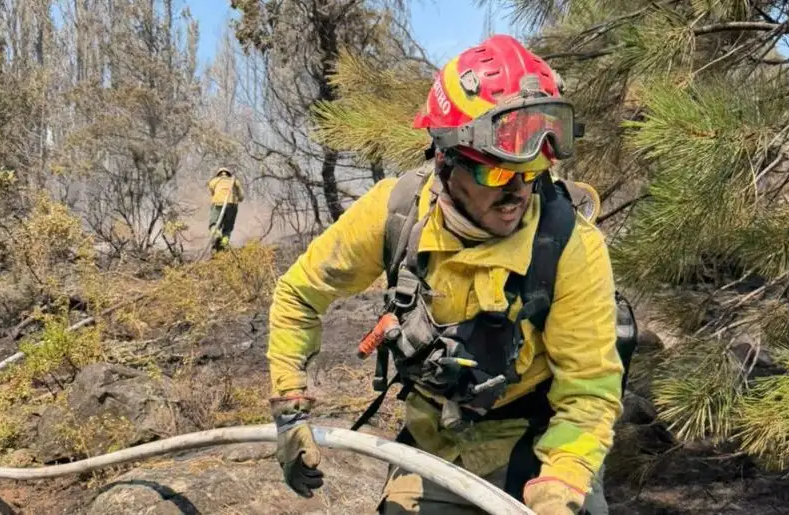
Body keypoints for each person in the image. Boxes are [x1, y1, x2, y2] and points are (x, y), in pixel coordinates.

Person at [266, 34, 625, 515]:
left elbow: (588, 392)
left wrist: (560, 485)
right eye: (497, 173)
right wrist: (290, 411)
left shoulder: (570, 246)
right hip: (434, 442)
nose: (519, 190)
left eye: (535, 168)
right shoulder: (396, 214)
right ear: (446, 159)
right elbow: (298, 295)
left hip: (541, 442)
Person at [207, 167, 245, 251]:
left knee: (213, 224)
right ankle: (224, 243)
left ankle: (217, 235)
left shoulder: (214, 181)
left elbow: (212, 191)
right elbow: (242, 197)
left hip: (217, 203)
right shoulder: (235, 181)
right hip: (232, 205)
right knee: (228, 228)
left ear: (219, 174)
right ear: (228, 174)